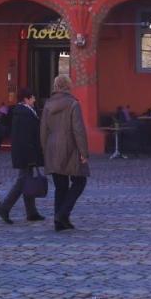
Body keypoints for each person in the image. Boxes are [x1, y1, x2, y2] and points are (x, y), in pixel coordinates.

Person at [40, 74, 89, 232]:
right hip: (70, 147)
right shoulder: (73, 104)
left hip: (52, 147)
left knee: (60, 186)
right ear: (68, 86)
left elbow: (43, 131)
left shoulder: (48, 104)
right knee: (79, 182)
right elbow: (78, 130)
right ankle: (62, 214)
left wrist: (45, 149)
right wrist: (83, 152)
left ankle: (60, 221)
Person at [0, 88, 45, 225]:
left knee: (26, 181)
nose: (34, 100)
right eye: (32, 98)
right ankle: (4, 208)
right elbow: (26, 137)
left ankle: (31, 212)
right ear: (26, 99)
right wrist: (32, 156)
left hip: (24, 152)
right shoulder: (25, 114)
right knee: (22, 182)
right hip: (26, 153)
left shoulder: (23, 112)